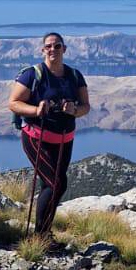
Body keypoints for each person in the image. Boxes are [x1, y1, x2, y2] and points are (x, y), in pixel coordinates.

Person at [8, 32, 90, 235]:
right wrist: (36, 110)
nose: (53, 49)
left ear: (64, 49)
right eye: (49, 46)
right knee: (55, 184)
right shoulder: (33, 74)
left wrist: (74, 110)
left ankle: (44, 233)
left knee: (56, 185)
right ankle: (41, 236)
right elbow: (14, 103)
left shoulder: (75, 76)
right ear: (43, 50)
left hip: (64, 140)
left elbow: (86, 106)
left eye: (57, 46)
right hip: (37, 138)